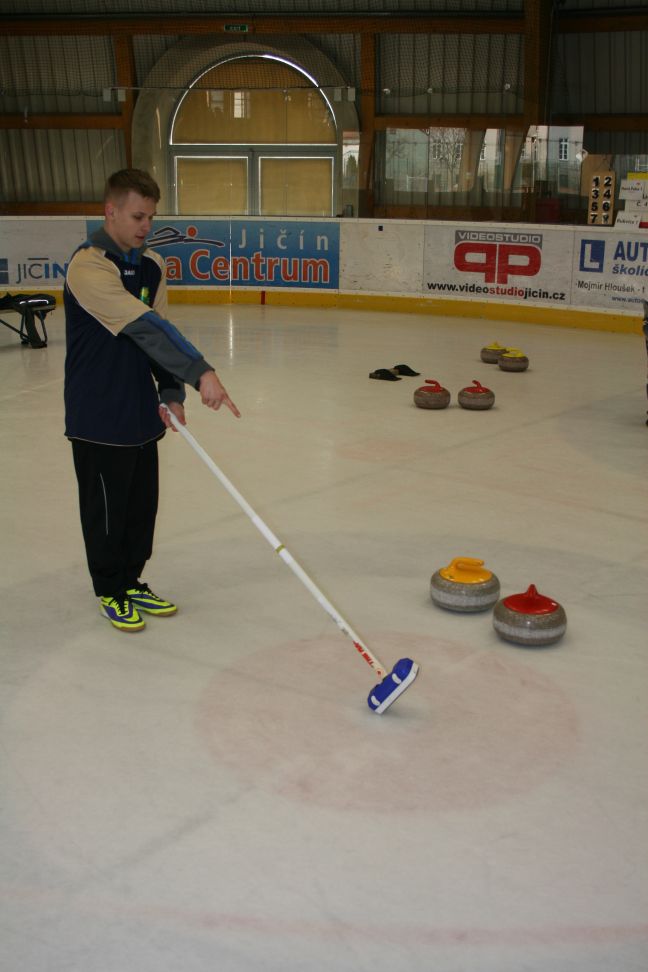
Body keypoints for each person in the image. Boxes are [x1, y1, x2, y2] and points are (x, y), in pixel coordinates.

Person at [64, 168, 240, 632]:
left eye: (151, 216)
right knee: (107, 511)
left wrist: (171, 391)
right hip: (98, 414)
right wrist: (200, 371)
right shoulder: (88, 265)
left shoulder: (152, 265)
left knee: (142, 508)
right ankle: (110, 589)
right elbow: (144, 327)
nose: (146, 225)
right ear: (111, 211)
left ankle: (132, 580)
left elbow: (161, 330)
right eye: (137, 216)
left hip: (140, 411)